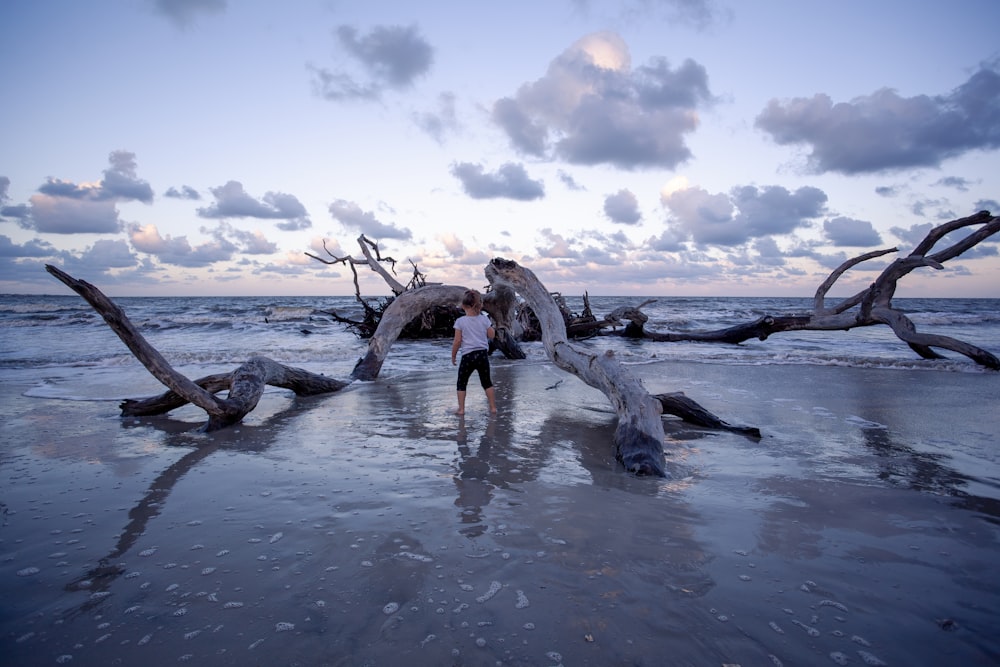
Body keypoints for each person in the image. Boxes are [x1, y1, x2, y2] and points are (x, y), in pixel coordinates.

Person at [451, 289, 497, 415]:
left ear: (464, 305)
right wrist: (490, 326)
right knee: (487, 382)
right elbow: (492, 335)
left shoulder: (460, 322)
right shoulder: (484, 319)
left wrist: (453, 356)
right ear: (479, 305)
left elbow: (457, 341)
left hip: (467, 356)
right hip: (482, 355)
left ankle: (461, 409)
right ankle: (493, 407)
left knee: (461, 382)